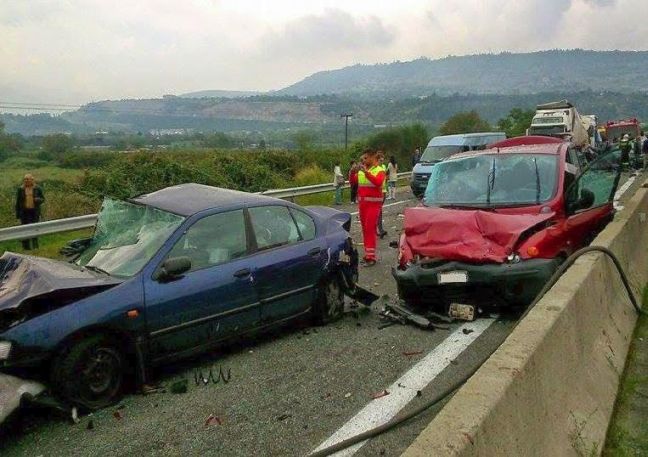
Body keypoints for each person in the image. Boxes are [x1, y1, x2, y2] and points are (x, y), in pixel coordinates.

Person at [357, 149, 386, 266]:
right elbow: (357, 184)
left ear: (372, 158)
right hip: (363, 205)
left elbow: (378, 182)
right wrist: (353, 173)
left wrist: (366, 173)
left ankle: (371, 257)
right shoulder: (363, 170)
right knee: (365, 230)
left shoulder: (380, 170)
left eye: (365, 158)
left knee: (370, 229)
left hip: (373, 205)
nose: (363, 160)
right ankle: (367, 254)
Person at [15, 174, 45, 250]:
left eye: (28, 179)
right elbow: (18, 202)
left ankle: (35, 247)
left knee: (34, 229)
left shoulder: (37, 188)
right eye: (25, 179)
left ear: (32, 180)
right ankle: (26, 248)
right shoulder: (21, 189)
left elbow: (43, 199)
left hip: (34, 212)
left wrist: (37, 200)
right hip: (24, 212)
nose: (26, 181)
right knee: (24, 230)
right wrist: (18, 214)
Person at [375, 152, 388, 239]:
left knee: (380, 211)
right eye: (380, 160)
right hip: (377, 192)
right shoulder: (375, 168)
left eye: (383, 160)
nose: (382, 162)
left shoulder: (383, 167)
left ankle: (380, 229)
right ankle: (378, 229)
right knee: (378, 211)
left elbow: (385, 178)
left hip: (383, 190)